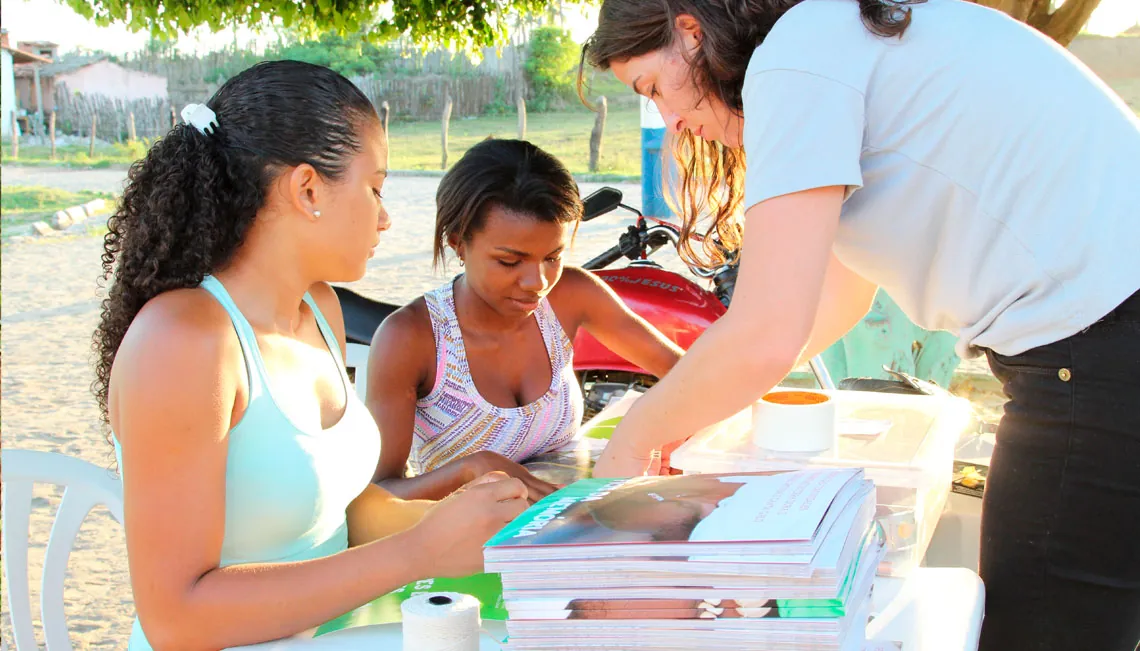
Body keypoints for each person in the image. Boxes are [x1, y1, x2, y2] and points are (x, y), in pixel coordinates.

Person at [579, 0, 1140, 648]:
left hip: (1099, 341)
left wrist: (628, 451)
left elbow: (767, 332)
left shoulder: (796, 56)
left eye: (652, 88)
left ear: (690, 31)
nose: (670, 119)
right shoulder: (838, 38)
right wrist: (696, 415)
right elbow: (831, 300)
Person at [94, 60, 528, 650]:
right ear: (307, 189)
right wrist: (417, 552)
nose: (385, 216)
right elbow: (175, 616)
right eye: (375, 187)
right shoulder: (184, 342)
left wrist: (471, 523)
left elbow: (331, 519)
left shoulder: (319, 311)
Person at [366, 138, 685, 502]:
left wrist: (657, 429)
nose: (538, 283)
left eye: (553, 257)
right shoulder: (412, 338)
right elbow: (380, 495)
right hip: (467, 547)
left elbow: (686, 372)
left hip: (577, 520)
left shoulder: (572, 294)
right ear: (458, 242)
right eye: (509, 261)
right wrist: (475, 468)